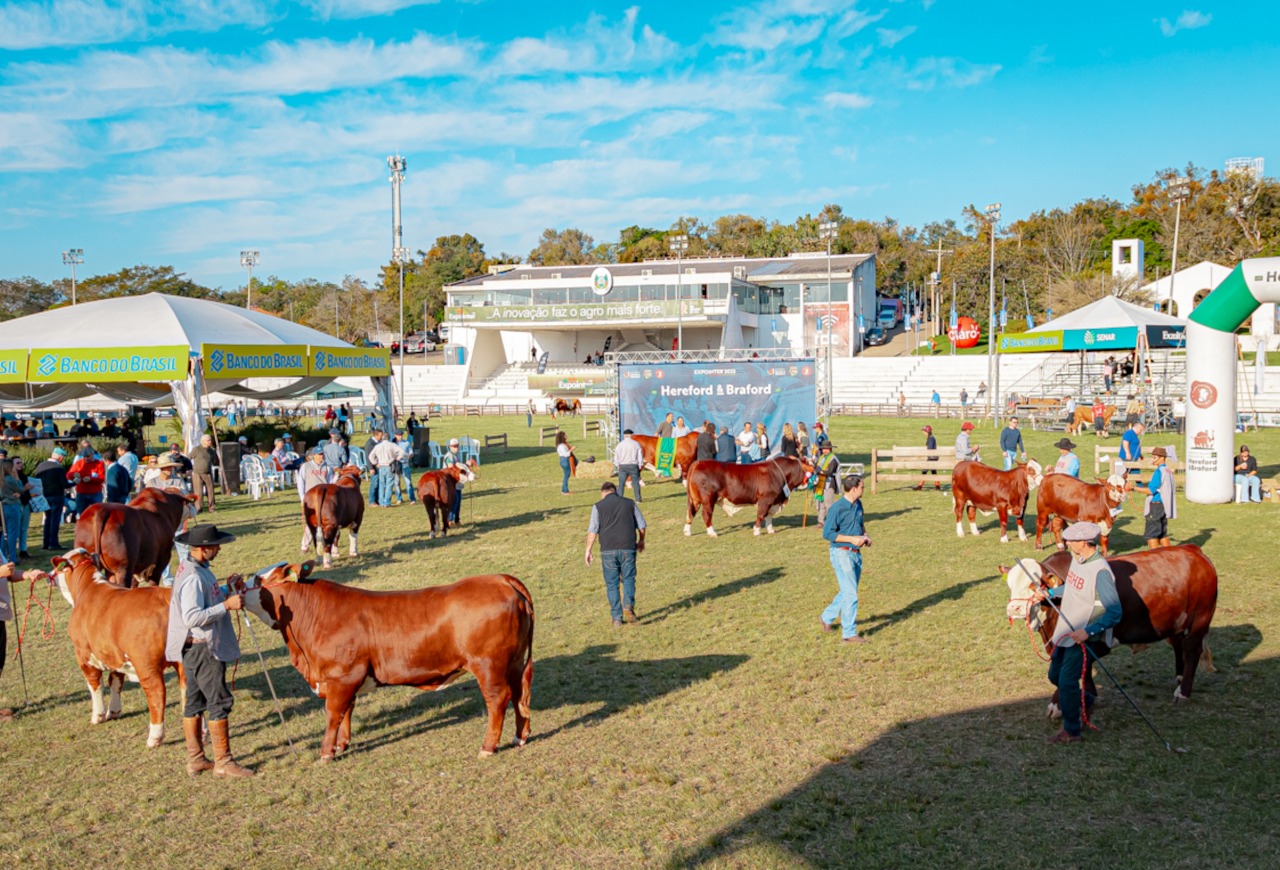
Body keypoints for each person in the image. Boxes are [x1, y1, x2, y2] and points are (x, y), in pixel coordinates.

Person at [163, 524, 253, 777]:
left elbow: (206, 600)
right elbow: (193, 617)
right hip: (204, 649)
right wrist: (227, 605)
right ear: (203, 549)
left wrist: (225, 589)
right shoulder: (193, 576)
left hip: (192, 650)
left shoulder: (195, 569)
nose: (219, 549)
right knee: (218, 702)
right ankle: (223, 762)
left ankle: (196, 759)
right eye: (215, 546)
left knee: (193, 703)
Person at [1035, 521, 1122, 745]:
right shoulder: (1078, 559)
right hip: (1066, 631)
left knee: (1067, 681)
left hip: (1084, 636)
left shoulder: (1101, 571)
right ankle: (1087, 700)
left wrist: (1088, 631)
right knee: (1055, 676)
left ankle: (1071, 731)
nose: (1068, 543)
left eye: (1072, 540)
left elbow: (1114, 611)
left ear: (1084, 542)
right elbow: (1073, 587)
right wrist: (1050, 593)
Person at [583, 481, 646, 627]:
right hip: (628, 547)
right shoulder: (629, 503)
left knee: (612, 584)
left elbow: (593, 530)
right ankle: (628, 605)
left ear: (603, 493)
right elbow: (641, 525)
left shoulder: (598, 506)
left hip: (608, 550)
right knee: (629, 578)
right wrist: (641, 540)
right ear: (615, 491)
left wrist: (588, 550)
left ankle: (616, 618)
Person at [819, 474, 871, 645]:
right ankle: (849, 633)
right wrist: (851, 540)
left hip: (856, 553)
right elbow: (828, 534)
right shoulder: (837, 508)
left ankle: (827, 617)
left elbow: (860, 523)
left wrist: (864, 536)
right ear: (854, 488)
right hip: (842, 554)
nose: (864, 489)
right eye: (862, 487)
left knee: (847, 590)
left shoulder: (858, 504)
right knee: (850, 594)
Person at [34, 447, 69, 551]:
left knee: (47, 519)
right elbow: (64, 484)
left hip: (44, 495)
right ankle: (53, 543)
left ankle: (45, 542)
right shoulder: (58, 468)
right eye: (62, 457)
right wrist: (75, 482)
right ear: (60, 457)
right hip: (57, 496)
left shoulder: (41, 466)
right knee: (55, 520)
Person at [1143, 447, 1176, 548]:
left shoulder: (1158, 472)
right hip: (1164, 506)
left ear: (1162, 458)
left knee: (1152, 535)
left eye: (1154, 457)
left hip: (1156, 506)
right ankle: (1169, 557)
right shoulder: (1168, 470)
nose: (1152, 460)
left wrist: (1133, 488)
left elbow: (1150, 490)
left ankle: (1154, 558)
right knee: (1162, 534)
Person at [369, 430, 406, 507]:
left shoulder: (378, 446)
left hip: (381, 466)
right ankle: (387, 502)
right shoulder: (392, 445)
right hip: (390, 465)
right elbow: (402, 452)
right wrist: (397, 458)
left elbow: (371, 456)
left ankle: (381, 502)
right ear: (389, 438)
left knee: (381, 484)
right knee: (389, 484)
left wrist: (375, 463)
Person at [68, 445, 106, 519]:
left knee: (97, 513)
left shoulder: (99, 464)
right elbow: (68, 475)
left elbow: (101, 478)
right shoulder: (79, 463)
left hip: (95, 493)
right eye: (84, 456)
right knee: (82, 514)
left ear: (92, 455)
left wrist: (90, 479)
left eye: (88, 456)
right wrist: (74, 474)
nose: (86, 458)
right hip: (81, 493)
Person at [814, 441, 841, 525]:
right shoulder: (821, 458)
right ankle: (821, 521)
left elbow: (829, 472)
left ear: (830, 449)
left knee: (829, 503)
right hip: (820, 483)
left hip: (829, 483)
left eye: (827, 449)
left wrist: (820, 471)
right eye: (823, 449)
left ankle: (832, 521)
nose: (825, 451)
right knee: (820, 502)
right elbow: (816, 467)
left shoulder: (833, 459)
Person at [614, 429, 645, 502]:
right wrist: (640, 464)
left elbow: (616, 456)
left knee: (621, 483)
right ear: (631, 435)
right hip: (633, 465)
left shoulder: (620, 445)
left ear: (624, 435)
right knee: (635, 483)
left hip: (623, 465)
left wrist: (617, 464)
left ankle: (619, 498)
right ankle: (638, 499)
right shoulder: (636, 444)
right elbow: (639, 455)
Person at [189, 434, 218, 513]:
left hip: (208, 473)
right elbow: (189, 458)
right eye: (208, 440)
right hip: (197, 473)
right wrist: (190, 468)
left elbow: (215, 462)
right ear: (203, 441)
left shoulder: (211, 451)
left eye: (210, 440)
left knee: (210, 491)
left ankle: (211, 508)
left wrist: (217, 457)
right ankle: (199, 508)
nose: (210, 442)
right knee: (198, 492)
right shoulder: (197, 449)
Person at [445, 439, 467, 522]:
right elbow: (451, 467)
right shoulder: (448, 456)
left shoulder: (457, 456)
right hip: (450, 483)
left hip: (457, 483)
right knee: (454, 501)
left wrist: (466, 467)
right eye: (454, 446)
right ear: (450, 447)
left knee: (458, 502)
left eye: (457, 446)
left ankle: (457, 520)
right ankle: (449, 520)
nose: (456, 448)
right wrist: (463, 468)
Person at [914, 425, 941, 491]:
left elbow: (930, 448)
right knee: (933, 471)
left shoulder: (931, 438)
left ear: (927, 431)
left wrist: (926, 452)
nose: (923, 432)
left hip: (932, 457)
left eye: (924, 431)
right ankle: (937, 486)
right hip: (932, 457)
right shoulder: (930, 438)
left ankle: (920, 486)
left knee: (924, 471)